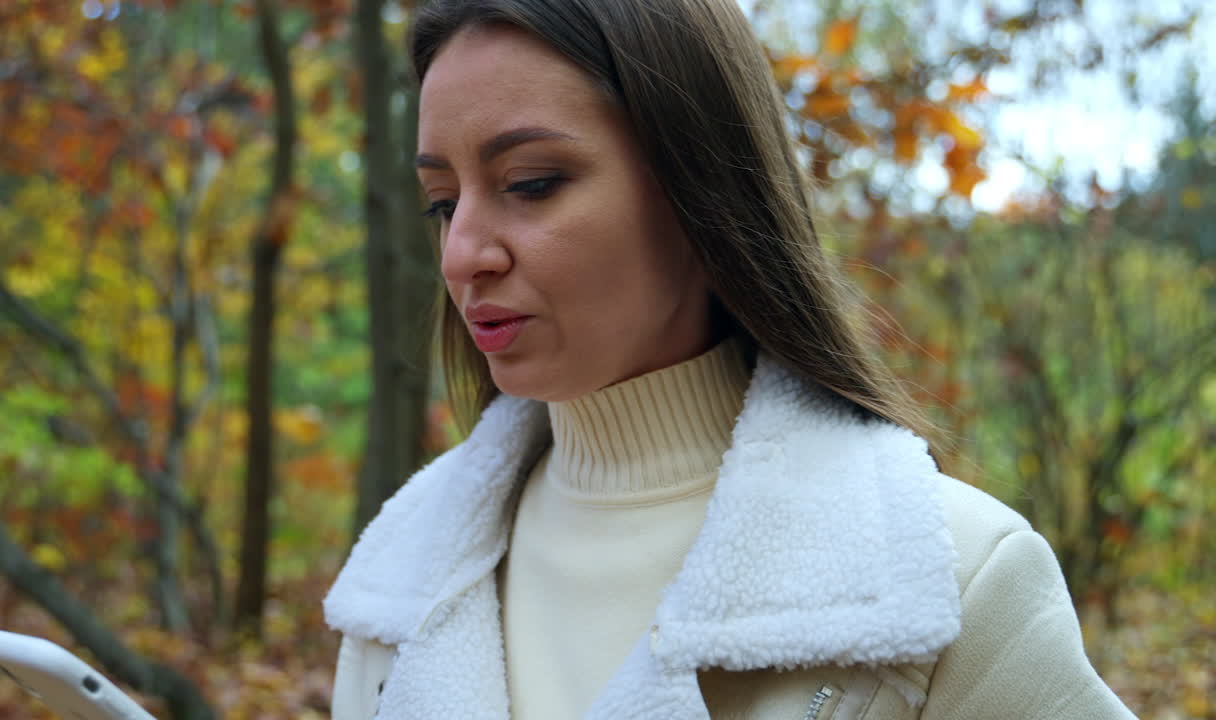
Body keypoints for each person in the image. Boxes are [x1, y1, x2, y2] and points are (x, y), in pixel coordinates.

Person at [323, 0, 1138, 718]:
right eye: (442, 201)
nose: (461, 253)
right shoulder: (395, 591)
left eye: (531, 182)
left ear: (699, 191)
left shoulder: (951, 582)